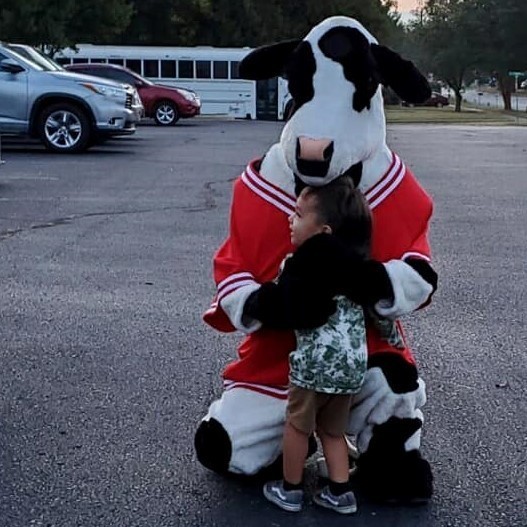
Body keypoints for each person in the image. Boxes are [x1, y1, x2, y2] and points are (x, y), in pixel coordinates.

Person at [263, 176, 373, 514]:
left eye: (297, 214)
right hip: (352, 367)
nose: (289, 220)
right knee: (334, 430)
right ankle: (341, 493)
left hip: (314, 367)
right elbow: (379, 310)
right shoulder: (358, 267)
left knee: (298, 426)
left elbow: (279, 302)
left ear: (323, 231)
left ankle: (290, 489)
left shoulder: (298, 265)